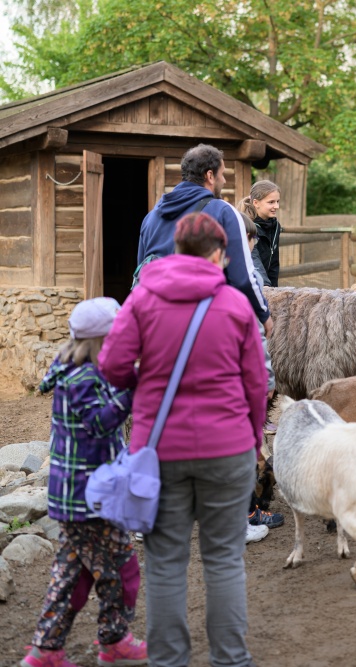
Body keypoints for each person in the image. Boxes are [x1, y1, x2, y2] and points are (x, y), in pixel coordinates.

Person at [100, 212, 269, 665]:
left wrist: (146, 387)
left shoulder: (141, 300)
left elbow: (113, 366)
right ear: (219, 256)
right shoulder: (235, 305)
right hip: (229, 447)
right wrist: (253, 439)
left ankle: (169, 660)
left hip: (160, 452)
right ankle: (231, 659)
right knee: (224, 560)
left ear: (176, 250)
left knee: (167, 563)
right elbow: (257, 384)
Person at [24, 297, 148, 667]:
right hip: (86, 500)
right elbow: (98, 424)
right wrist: (133, 390)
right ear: (102, 341)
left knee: (72, 574)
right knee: (121, 568)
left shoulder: (76, 369)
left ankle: (45, 650)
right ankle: (114, 641)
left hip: (82, 498)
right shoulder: (82, 378)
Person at [137, 143, 272, 339]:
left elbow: (141, 272)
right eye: (222, 174)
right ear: (210, 176)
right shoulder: (223, 212)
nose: (224, 180)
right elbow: (243, 276)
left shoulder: (151, 217)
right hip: (205, 325)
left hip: (158, 324)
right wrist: (264, 314)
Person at [239, 211, 284, 529]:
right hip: (241, 380)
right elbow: (257, 333)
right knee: (249, 446)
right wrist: (267, 380)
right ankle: (251, 512)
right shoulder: (245, 278)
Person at [240, 180, 282, 287]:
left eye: (277, 201)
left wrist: (275, 291)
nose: (276, 206)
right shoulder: (247, 226)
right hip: (250, 285)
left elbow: (274, 263)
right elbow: (253, 258)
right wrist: (266, 287)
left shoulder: (275, 226)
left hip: (267, 287)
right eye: (271, 202)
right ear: (256, 203)